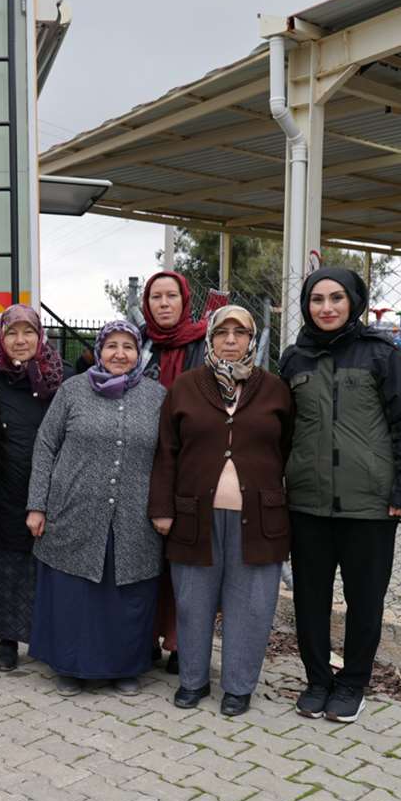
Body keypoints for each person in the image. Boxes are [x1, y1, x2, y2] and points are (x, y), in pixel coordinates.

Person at [280, 267, 401, 724]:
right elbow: (280, 430)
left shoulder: (382, 355)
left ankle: (353, 683)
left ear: (354, 302)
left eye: (336, 298)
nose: (326, 308)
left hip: (371, 505)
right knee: (309, 597)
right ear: (306, 305)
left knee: (365, 600)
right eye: (317, 299)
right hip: (307, 503)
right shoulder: (293, 359)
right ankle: (318, 679)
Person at [149, 307, 293, 716]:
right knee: (193, 600)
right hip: (194, 515)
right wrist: (162, 509)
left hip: (259, 519)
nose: (231, 340)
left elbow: (286, 451)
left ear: (252, 339)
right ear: (210, 338)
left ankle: (238, 687)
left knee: (251, 605)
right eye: (222, 332)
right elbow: (166, 452)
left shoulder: (274, 389)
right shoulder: (185, 387)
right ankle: (193, 680)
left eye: (240, 332)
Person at [27, 321, 166, 696]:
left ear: (139, 353)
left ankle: (125, 666)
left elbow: (170, 456)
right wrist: (36, 505)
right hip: (73, 508)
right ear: (99, 350)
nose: (120, 354)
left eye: (128, 347)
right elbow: (45, 447)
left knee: (125, 595)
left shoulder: (156, 396)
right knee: (75, 594)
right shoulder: (72, 390)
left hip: (133, 516)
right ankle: (69, 666)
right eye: (112, 346)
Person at [0, 304, 62, 671]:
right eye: (11, 333)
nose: (20, 340)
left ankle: (45, 638)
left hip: (53, 490)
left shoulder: (63, 379)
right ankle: (6, 640)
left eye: (28, 332)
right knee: (5, 566)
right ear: (1, 338)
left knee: (45, 568)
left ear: (40, 336)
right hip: (5, 486)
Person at [140, 270, 208, 675]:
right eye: (156, 297)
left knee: (188, 560)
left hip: (191, 466)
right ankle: (144, 637)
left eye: (171, 297)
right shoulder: (137, 343)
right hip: (142, 465)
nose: (164, 304)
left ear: (185, 302)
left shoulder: (205, 342)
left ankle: (184, 643)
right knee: (145, 558)